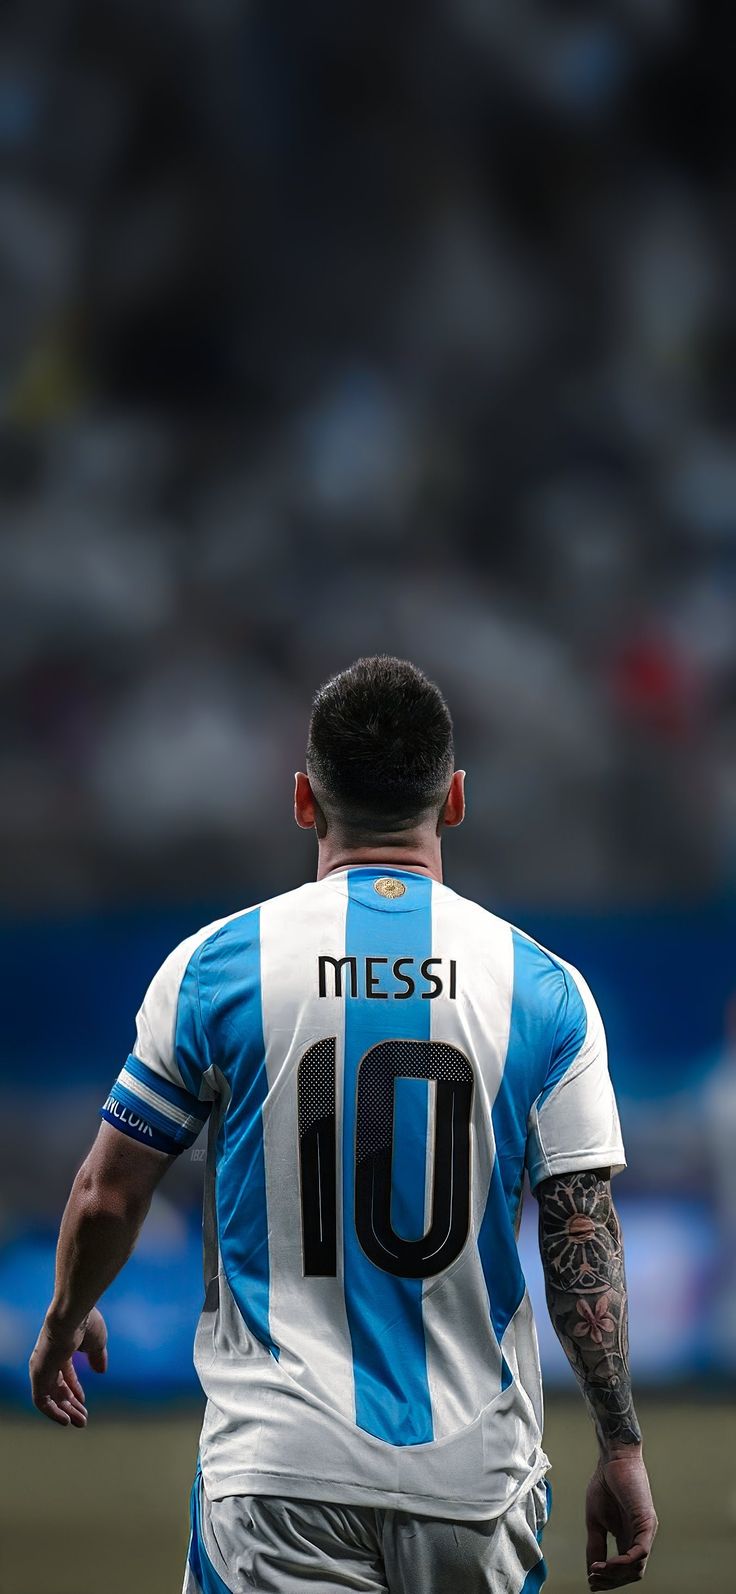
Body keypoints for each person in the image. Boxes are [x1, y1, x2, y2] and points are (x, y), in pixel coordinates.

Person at [29, 656, 657, 1593]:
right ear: (453, 800)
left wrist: (64, 1319)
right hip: (475, 1486)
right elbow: (581, 1237)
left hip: (279, 1478)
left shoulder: (217, 968)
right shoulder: (545, 990)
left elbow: (108, 1191)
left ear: (300, 800)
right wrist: (620, 1445)